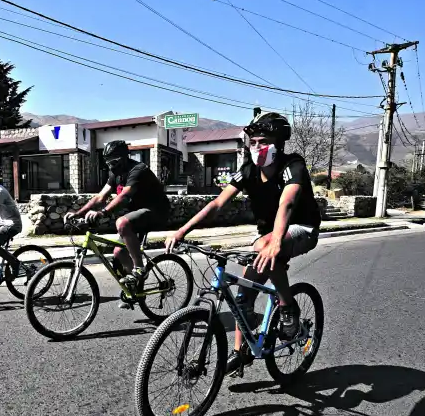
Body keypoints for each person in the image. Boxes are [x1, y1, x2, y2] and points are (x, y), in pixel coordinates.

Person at [165, 111, 322, 372]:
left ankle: (287, 305)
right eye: (253, 142)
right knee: (242, 297)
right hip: (268, 236)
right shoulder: (248, 170)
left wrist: (274, 242)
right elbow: (217, 203)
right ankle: (240, 352)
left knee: (265, 247)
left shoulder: (292, 165)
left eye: (263, 141)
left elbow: (288, 202)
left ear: (279, 142)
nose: (257, 147)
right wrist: (182, 231)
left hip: (301, 228)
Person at [65, 140, 170, 299]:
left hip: (156, 211)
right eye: (107, 162)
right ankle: (135, 287)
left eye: (113, 161)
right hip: (137, 215)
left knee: (122, 222)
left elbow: (125, 196)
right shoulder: (114, 174)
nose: (110, 165)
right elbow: (100, 196)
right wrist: (78, 213)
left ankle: (140, 269)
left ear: (124, 157)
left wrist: (103, 212)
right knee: (118, 252)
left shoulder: (138, 170)